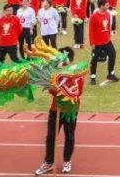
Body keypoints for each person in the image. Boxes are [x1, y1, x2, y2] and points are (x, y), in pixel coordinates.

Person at [34, 47, 84, 176]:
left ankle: (67, 161)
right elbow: (51, 91)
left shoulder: (78, 74)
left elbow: (78, 92)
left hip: (70, 110)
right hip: (55, 109)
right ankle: (48, 162)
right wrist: (54, 89)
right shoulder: (55, 75)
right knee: (51, 136)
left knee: (70, 136)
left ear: (69, 60)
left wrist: (65, 91)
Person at [88, 0, 119, 84]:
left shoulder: (108, 14)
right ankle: (93, 77)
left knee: (113, 53)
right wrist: (92, 43)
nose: (108, 6)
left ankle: (111, 74)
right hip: (97, 42)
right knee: (94, 59)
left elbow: (108, 27)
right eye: (106, 5)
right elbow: (91, 31)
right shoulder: (94, 16)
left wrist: (109, 37)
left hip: (107, 40)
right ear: (101, 6)